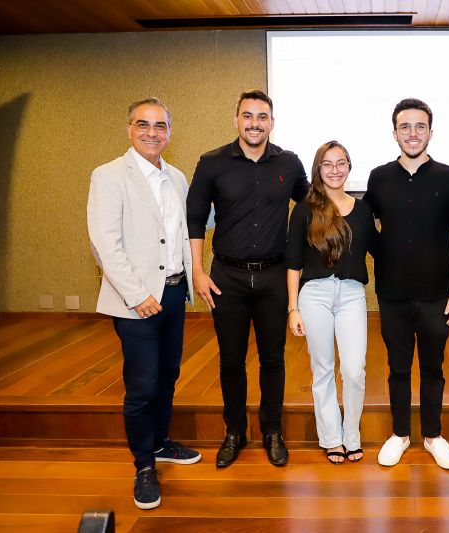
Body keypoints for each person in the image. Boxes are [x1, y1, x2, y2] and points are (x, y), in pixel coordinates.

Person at [87, 97, 201, 510]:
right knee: (142, 384)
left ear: (170, 132)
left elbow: (182, 233)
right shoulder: (109, 175)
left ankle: (159, 443)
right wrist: (137, 296)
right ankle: (143, 466)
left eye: (160, 126)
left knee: (168, 375)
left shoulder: (177, 177)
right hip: (135, 300)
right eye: (143, 124)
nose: (152, 132)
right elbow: (105, 244)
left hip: (173, 292)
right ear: (129, 129)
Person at [187, 90, 309, 468]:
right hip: (227, 278)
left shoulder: (289, 163)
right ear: (236, 120)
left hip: (273, 277)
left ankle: (272, 431)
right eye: (248, 116)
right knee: (231, 360)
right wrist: (198, 272)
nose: (255, 123)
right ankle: (235, 431)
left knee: (273, 359)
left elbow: (312, 207)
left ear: (272, 122)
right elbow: (194, 219)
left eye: (262, 116)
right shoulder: (212, 163)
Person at [364, 98, 449, 470]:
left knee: (433, 368)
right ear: (394, 133)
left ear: (431, 131)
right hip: (392, 295)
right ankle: (399, 434)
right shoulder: (378, 177)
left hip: (437, 295)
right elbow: (369, 228)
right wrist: (388, 256)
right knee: (397, 368)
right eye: (405, 127)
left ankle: (432, 435)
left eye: (420, 126)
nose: (413, 133)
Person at [286, 141, 376, 464]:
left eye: (341, 163)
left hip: (352, 294)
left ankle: (352, 434)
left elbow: (381, 250)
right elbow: (293, 263)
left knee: (354, 370)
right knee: (322, 368)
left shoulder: (363, 210)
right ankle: (332, 438)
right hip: (314, 295)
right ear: (318, 169)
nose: (335, 170)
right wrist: (293, 308)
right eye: (327, 164)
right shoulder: (304, 210)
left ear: (349, 167)